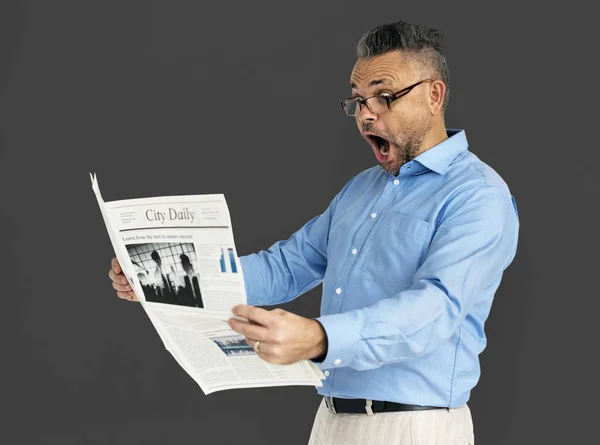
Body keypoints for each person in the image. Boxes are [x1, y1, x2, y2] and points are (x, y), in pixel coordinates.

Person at [108, 21, 519, 445]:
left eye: (384, 96)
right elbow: (287, 266)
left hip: (415, 429)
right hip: (330, 422)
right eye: (358, 101)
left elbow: (435, 309)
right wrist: (171, 278)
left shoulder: (479, 196)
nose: (366, 114)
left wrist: (319, 337)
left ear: (434, 96)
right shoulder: (360, 189)